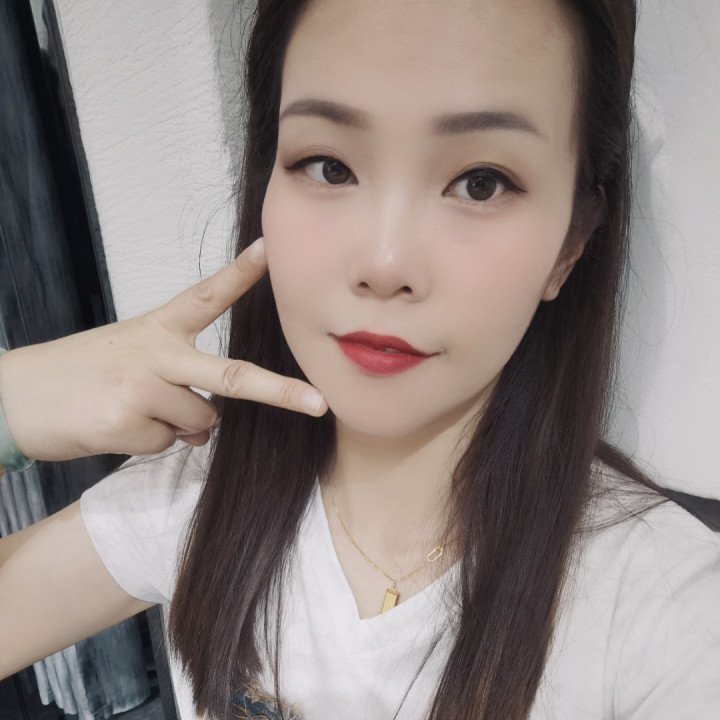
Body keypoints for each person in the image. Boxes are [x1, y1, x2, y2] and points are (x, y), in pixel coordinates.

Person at [0, 0, 719, 718]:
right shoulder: (200, 499)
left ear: (571, 243)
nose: (385, 263)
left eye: (482, 182)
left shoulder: (670, 613)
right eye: (330, 166)